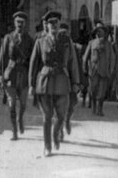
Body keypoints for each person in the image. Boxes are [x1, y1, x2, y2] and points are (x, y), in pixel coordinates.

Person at [29, 11, 80, 157]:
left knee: (61, 116)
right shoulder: (40, 42)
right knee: (47, 116)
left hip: (62, 81)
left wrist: (76, 81)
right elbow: (34, 64)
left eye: (56, 22)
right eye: (51, 23)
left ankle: (56, 132)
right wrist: (31, 85)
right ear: (47, 25)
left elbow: (73, 62)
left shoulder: (66, 41)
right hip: (45, 81)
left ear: (59, 24)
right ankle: (47, 146)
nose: (54, 25)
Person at [0, 11, 34, 141]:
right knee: (12, 104)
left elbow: (32, 60)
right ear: (14, 23)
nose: (20, 24)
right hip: (10, 74)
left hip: (23, 75)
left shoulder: (30, 40)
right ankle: (14, 131)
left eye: (22, 22)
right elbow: (2, 57)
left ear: (25, 24)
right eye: (18, 22)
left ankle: (20, 119)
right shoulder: (8, 38)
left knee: (23, 104)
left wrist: (32, 78)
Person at [82, 22, 116, 117]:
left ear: (105, 33)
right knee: (93, 90)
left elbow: (112, 58)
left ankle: (100, 109)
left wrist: (111, 69)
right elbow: (85, 57)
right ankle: (93, 106)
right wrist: (84, 67)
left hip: (104, 71)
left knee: (102, 92)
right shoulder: (91, 43)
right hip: (93, 71)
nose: (100, 33)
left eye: (102, 31)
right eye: (98, 31)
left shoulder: (109, 45)